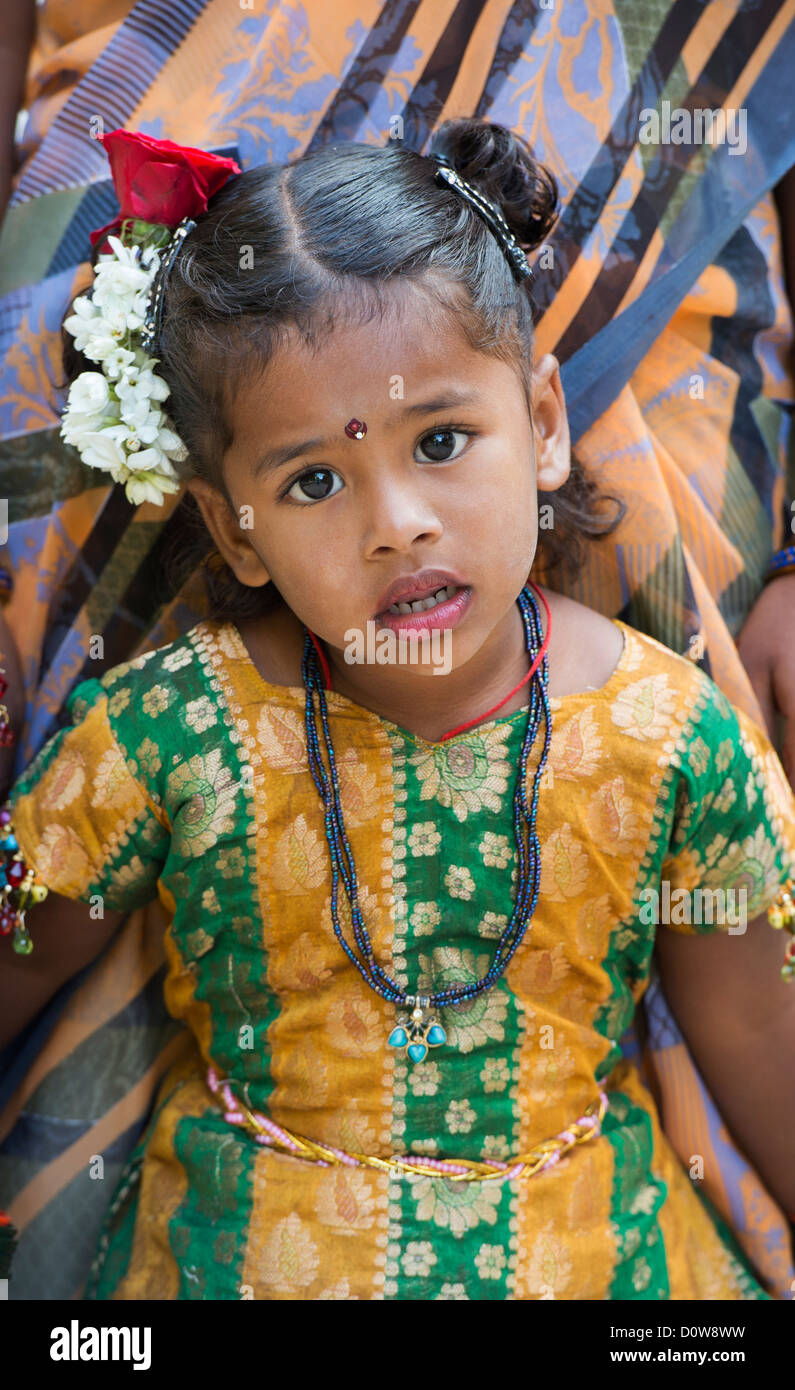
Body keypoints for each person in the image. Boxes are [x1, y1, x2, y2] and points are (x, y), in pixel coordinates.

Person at [2, 118, 794, 1301]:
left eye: (440, 439)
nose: (397, 522)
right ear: (236, 529)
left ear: (542, 426)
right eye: (313, 479)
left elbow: (759, 1043)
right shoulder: (164, 737)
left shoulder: (669, 735)